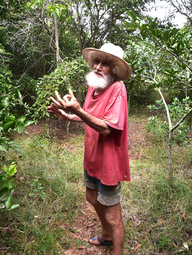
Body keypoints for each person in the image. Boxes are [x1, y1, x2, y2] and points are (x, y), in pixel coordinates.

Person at [47, 43, 131, 255]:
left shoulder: (117, 89)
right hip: (92, 158)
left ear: (114, 70)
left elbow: (105, 128)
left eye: (105, 64)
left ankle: (117, 250)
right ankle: (106, 235)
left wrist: (77, 110)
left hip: (109, 163)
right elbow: (90, 117)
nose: (98, 67)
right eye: (97, 62)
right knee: (92, 198)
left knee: (113, 216)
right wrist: (69, 115)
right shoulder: (94, 86)